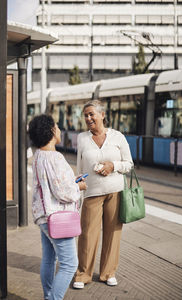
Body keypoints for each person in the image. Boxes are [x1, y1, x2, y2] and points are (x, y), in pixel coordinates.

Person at [73, 100, 133, 289]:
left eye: (92, 114)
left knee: (112, 234)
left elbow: (129, 164)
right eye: (86, 115)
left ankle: (108, 273)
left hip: (115, 191)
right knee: (87, 235)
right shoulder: (82, 138)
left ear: (102, 115)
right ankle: (83, 275)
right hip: (92, 193)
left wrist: (113, 166)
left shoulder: (118, 137)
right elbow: (80, 167)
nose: (88, 118)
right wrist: (79, 187)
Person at [28, 114, 87, 300]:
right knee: (70, 263)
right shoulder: (55, 157)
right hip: (58, 218)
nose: (60, 130)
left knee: (49, 258)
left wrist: (71, 181)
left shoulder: (38, 156)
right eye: (57, 126)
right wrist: (78, 185)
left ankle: (48, 295)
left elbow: (51, 185)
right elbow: (64, 192)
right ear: (52, 131)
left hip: (44, 217)